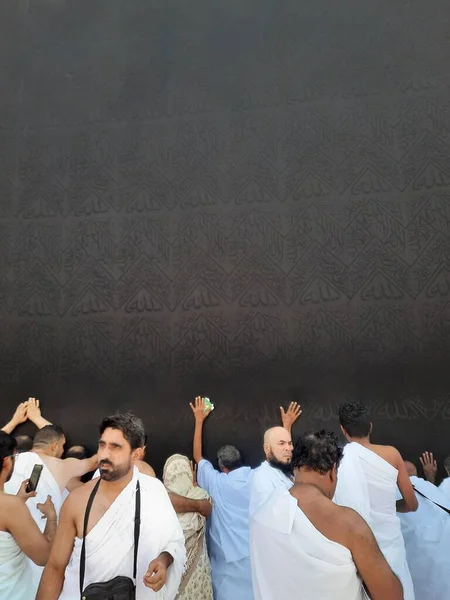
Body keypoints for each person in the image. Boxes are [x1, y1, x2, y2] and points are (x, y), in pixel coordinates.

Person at [36, 412, 186, 600]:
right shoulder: (77, 501)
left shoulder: (153, 491)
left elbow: (174, 542)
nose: (105, 454)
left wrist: (163, 561)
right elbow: (55, 567)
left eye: (115, 447)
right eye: (102, 445)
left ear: (136, 454)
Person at [250, 430, 403, 600]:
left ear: (295, 467)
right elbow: (391, 595)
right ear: (332, 471)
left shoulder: (261, 516)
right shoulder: (349, 524)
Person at [333, 402, 416, 600]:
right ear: (370, 426)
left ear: (343, 430)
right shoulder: (392, 454)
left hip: (356, 547)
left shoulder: (338, 460)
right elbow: (412, 504)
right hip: (391, 545)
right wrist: (389, 507)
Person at [190, 396, 255, 600]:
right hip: (254, 559)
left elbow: (198, 456)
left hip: (226, 566)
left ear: (222, 467)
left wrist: (199, 420)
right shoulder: (257, 478)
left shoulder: (216, 481)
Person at [4, 423, 98, 531]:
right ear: (54, 446)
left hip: (5, 532)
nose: (63, 451)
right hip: (39, 538)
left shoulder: (9, 462)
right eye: (62, 446)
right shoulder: (61, 466)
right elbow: (93, 463)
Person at [0, 431, 57, 600]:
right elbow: (44, 557)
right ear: (7, 462)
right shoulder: (11, 507)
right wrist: (52, 517)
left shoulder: (11, 506)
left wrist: (17, 500)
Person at [398, 460, 450, 600]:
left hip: (435, 540)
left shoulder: (427, 487)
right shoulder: (427, 487)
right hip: (427, 545)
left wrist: (430, 476)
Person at [163, 454, 213, 600]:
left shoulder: (158, 500)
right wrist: (194, 484)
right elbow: (207, 509)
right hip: (198, 572)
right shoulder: (201, 496)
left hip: (169, 569)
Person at [249, 402, 302, 517]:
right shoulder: (262, 478)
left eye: (289, 443)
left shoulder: (285, 469)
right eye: (281, 444)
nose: (288, 448)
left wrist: (287, 426)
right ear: (267, 449)